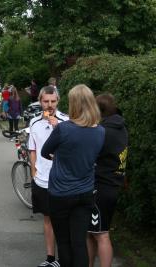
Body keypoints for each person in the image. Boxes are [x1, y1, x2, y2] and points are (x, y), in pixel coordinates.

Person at [41, 84, 105, 267]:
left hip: (60, 192)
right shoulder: (100, 131)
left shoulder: (64, 129)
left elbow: (46, 152)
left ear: (73, 104)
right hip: (85, 193)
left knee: (64, 242)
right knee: (79, 242)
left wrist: (59, 157)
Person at [28, 85, 68, 267]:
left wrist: (58, 127)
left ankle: (63, 258)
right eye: (46, 101)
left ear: (58, 101)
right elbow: (32, 149)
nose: (49, 105)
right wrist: (34, 173)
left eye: (53, 101)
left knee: (62, 220)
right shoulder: (34, 122)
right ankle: (50, 258)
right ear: (40, 102)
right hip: (42, 179)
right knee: (47, 219)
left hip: (62, 180)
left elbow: (70, 148)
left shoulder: (66, 121)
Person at [87, 94, 128, 267]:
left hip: (100, 188)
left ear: (99, 111)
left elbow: (90, 156)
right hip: (113, 185)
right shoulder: (121, 127)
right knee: (90, 232)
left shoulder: (103, 131)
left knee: (101, 234)